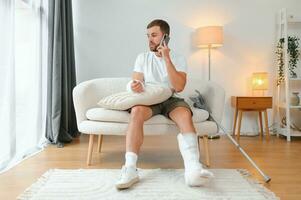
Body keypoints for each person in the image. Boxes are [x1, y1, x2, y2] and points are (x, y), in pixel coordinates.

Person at [115, 19, 213, 190]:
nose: (150, 40)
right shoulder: (142, 58)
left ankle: (193, 169)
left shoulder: (178, 58)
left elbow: (179, 86)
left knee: (184, 114)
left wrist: (166, 58)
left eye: (154, 35)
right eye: (148, 36)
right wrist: (135, 86)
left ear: (165, 37)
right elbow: (136, 80)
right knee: (136, 110)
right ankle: (130, 169)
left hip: (171, 98)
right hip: (149, 98)